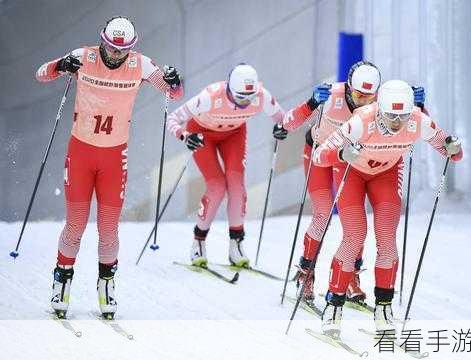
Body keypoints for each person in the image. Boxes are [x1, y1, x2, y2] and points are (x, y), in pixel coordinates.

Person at [35, 16, 183, 319]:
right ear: (101, 41)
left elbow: (173, 93)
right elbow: (41, 74)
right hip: (81, 153)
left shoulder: (140, 65)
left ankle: (106, 283)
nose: (115, 56)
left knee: (108, 228)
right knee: (75, 224)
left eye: (122, 51)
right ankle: (61, 280)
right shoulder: (83, 57)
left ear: (131, 48)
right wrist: (61, 65)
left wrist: (173, 79)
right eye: (110, 49)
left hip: (114, 158)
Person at [312, 79, 463, 335]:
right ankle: (333, 306)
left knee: (387, 238)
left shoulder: (417, 120)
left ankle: (384, 307)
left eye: (402, 116)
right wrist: (340, 154)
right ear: (379, 109)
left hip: (386, 174)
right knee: (355, 235)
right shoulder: (361, 121)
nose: (396, 122)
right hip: (353, 174)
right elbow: (319, 155)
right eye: (391, 116)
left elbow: (451, 151)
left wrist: (452, 148)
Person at [166, 63, 286, 268]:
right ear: (229, 88)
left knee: (237, 186)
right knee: (217, 187)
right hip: (203, 134)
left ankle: (236, 245)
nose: (244, 103)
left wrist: (281, 127)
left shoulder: (261, 95)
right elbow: (173, 118)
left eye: (249, 98)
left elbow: (284, 119)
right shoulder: (210, 96)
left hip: (233, 135)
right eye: (240, 97)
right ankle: (199, 241)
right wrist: (185, 136)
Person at [282, 61, 381, 303]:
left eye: (370, 97)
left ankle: (350, 276)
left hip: (347, 160)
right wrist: (312, 103)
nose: (363, 103)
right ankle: (306, 274)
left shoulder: (379, 106)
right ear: (348, 87)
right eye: (358, 95)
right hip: (318, 154)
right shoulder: (331, 96)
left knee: (355, 221)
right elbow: (288, 122)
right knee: (323, 213)